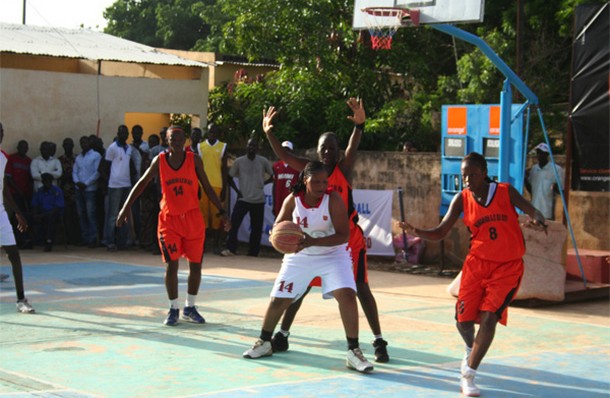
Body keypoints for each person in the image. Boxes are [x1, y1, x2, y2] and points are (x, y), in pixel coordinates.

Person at [396, 152, 548, 397]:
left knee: (490, 317)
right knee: (463, 321)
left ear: (484, 173)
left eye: (472, 175)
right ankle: (471, 348)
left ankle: (468, 374)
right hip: (476, 265)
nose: (467, 180)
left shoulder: (505, 191)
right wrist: (416, 230)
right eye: (464, 176)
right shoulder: (462, 198)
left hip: (507, 267)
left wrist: (538, 218)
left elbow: (532, 210)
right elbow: (440, 231)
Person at [261, 98, 390, 363]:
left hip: (346, 239)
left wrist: (360, 125)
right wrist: (269, 132)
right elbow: (284, 156)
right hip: (315, 238)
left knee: (361, 288)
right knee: (301, 286)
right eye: (324, 149)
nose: (328, 152)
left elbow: (354, 146)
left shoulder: (342, 168)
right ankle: (283, 333)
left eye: (332, 148)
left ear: (338, 152)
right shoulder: (310, 172)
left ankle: (378, 341)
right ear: (318, 152)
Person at [243, 161, 374, 373]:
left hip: (333, 254)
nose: (322, 185)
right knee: (279, 299)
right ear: (305, 181)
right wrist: (277, 235)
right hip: (300, 256)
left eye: (325, 181)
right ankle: (264, 342)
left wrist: (313, 241)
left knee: (348, 295)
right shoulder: (293, 201)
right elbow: (278, 226)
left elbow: (343, 235)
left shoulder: (333, 199)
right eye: (317, 182)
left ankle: (353, 351)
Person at [116, 126, 230, 326]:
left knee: (196, 265)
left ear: (185, 141)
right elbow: (141, 183)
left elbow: (207, 187)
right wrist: (125, 208)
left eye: (180, 140)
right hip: (170, 221)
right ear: (166, 141)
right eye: (172, 140)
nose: (176, 143)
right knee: (172, 265)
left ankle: (190, 307)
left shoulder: (194, 159)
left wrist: (222, 212)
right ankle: (173, 308)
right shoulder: (159, 161)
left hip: (193, 219)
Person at [0, 122, 35, 313]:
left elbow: (4, 189)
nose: (1, 134)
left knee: (14, 254)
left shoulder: (3, 157)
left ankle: (21, 299)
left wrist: (18, 213)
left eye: (2, 131)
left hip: (1, 214)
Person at [221, 137, 273, 257]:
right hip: (243, 199)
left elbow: (271, 176)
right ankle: (231, 249)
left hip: (258, 200)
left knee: (256, 227)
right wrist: (237, 191)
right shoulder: (239, 161)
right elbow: (229, 177)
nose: (252, 148)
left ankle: (253, 252)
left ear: (258, 148)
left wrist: (263, 184)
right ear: (246, 147)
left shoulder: (263, 161)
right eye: (250, 145)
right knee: (234, 223)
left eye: (254, 146)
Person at [197, 123, 228, 254]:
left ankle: (215, 245)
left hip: (217, 185)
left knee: (217, 216)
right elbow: (196, 168)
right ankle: (202, 245)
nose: (212, 134)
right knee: (202, 216)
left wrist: (224, 188)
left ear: (218, 134)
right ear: (207, 133)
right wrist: (196, 186)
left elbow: (224, 169)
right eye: (210, 132)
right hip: (202, 185)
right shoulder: (200, 146)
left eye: (215, 132)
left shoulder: (223, 146)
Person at [102, 125, 134, 251]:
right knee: (113, 214)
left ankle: (122, 241)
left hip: (126, 184)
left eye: (126, 133)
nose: (124, 135)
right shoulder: (112, 148)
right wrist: (108, 181)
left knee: (125, 214)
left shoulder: (129, 148)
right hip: (115, 185)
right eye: (122, 133)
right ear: (118, 133)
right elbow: (105, 166)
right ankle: (109, 241)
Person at [73, 136, 102, 248]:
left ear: (89, 143)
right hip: (79, 189)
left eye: (85, 142)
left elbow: (97, 173)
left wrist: (86, 183)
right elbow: (75, 171)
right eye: (82, 142)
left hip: (90, 189)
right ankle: (85, 238)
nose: (83, 144)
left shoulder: (96, 155)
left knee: (91, 214)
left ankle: (93, 239)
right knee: (81, 214)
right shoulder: (79, 157)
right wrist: (77, 182)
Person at [525, 142, 564, 220]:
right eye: (538, 153)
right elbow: (531, 189)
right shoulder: (534, 169)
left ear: (547, 154)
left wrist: (555, 187)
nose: (539, 155)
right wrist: (525, 180)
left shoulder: (556, 170)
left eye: (542, 153)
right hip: (534, 210)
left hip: (547, 211)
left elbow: (561, 191)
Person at [5, 140, 33, 248]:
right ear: (18, 147)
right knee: (16, 216)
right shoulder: (11, 159)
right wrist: (18, 190)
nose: (24, 149)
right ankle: (16, 239)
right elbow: (8, 178)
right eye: (22, 147)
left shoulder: (28, 161)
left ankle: (22, 239)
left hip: (25, 194)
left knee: (23, 216)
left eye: (26, 147)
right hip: (14, 193)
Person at [31, 173, 65, 252]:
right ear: (42, 182)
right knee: (26, 217)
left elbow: (58, 207)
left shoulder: (57, 191)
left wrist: (42, 216)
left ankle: (48, 242)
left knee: (50, 219)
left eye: (48, 181)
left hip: (54, 214)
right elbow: (35, 204)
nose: (47, 183)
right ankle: (26, 242)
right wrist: (35, 214)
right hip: (42, 213)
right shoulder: (40, 191)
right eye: (45, 181)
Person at [58, 137, 79, 245]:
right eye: (66, 144)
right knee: (67, 217)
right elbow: (59, 176)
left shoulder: (77, 158)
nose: (68, 146)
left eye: (70, 144)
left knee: (77, 216)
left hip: (76, 191)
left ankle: (77, 238)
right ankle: (69, 239)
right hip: (64, 192)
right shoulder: (60, 159)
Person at [272, 140, 299, 217]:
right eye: (283, 150)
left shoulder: (297, 165)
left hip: (291, 201)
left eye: (288, 150)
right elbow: (274, 186)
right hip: (279, 201)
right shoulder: (276, 166)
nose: (285, 152)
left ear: (292, 151)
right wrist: (274, 203)